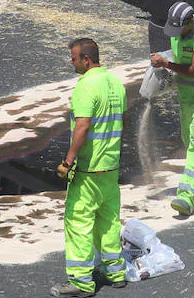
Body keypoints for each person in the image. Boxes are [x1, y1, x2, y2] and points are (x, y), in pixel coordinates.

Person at [53, 37, 127, 297]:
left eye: (73, 58)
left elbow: (83, 127)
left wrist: (67, 162)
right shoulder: (116, 84)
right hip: (110, 166)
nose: (71, 63)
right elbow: (119, 122)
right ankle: (115, 271)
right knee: (108, 220)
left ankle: (81, 282)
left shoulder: (86, 86)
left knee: (79, 221)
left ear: (86, 59)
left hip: (88, 168)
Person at [150, 0, 194, 216]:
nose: (175, 34)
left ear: (190, 22)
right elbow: (179, 56)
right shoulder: (178, 31)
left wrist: (166, 64)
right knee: (190, 140)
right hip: (187, 96)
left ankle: (187, 196)